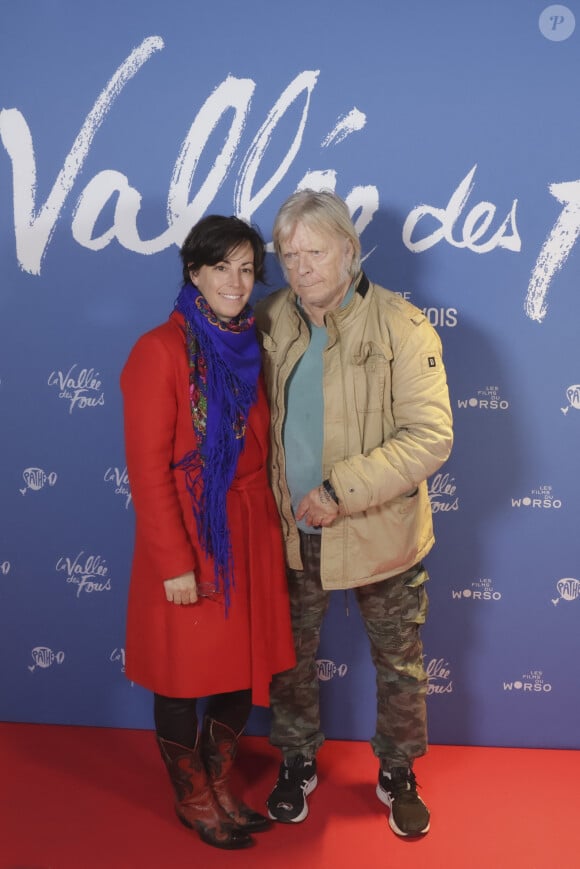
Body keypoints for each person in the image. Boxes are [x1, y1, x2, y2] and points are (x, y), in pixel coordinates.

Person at [255, 190, 453, 838]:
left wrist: (341, 490)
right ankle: (297, 758)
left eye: (315, 251)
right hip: (292, 532)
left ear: (348, 249)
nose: (302, 266)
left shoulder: (402, 325)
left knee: (399, 661)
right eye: (289, 254)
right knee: (289, 658)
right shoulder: (270, 319)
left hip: (380, 531)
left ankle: (399, 772)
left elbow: (430, 436)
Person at [120, 215, 296, 851]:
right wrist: (174, 562)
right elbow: (147, 469)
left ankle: (220, 782)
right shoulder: (158, 350)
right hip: (192, 535)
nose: (236, 281)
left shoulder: (252, 341)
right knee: (182, 674)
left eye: (248, 269)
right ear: (193, 271)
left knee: (236, 668)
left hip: (250, 529)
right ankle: (193, 795)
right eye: (222, 266)